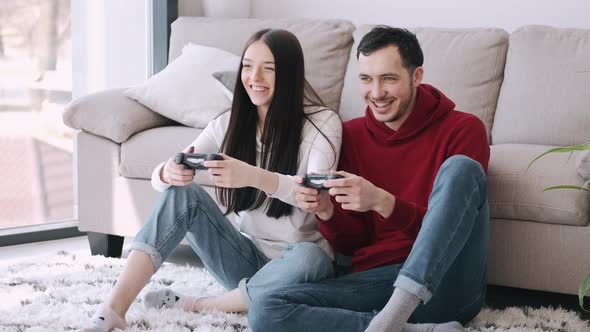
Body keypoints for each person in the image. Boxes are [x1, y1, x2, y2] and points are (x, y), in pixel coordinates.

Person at [81, 29, 342, 332]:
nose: (254, 77)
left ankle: (198, 304)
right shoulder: (228, 123)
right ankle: (113, 308)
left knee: (310, 257)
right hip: (248, 261)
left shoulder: (322, 123)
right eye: (247, 66)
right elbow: (160, 179)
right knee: (182, 193)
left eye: (268, 69)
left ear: (290, 74)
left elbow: (310, 197)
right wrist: (169, 171)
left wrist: (253, 176)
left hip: (303, 264)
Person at [248, 25, 490, 332]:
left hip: (448, 283)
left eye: (389, 79)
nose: (376, 93)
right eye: (366, 79)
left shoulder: (464, 129)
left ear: (416, 77)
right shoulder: (349, 135)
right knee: (266, 308)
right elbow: (353, 244)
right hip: (376, 282)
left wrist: (383, 202)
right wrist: (326, 211)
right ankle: (411, 329)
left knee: (461, 168)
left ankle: (390, 322)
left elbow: (455, 230)